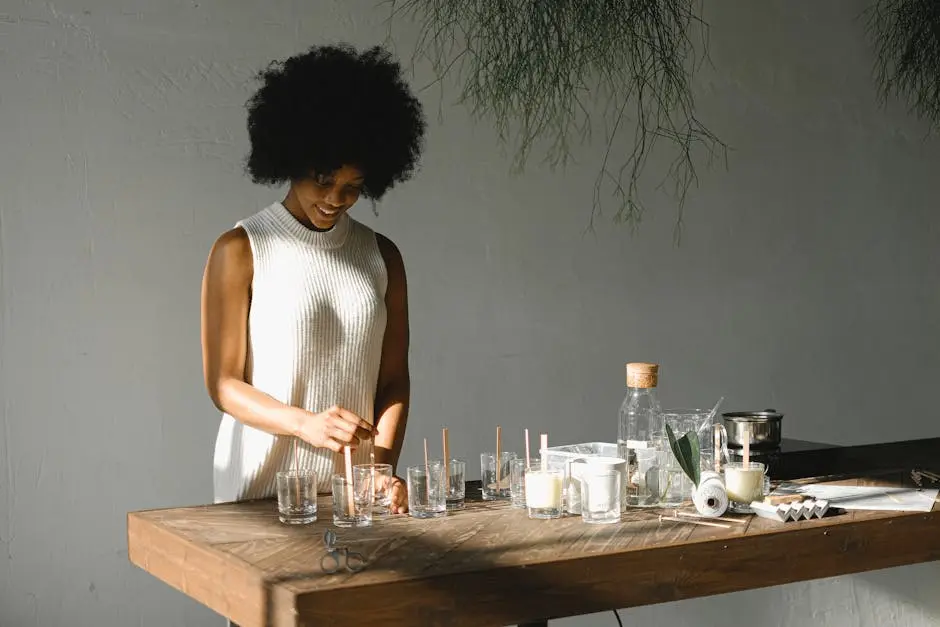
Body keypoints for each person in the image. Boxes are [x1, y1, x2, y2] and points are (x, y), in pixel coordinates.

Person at [201, 43, 426, 517]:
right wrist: (305, 425)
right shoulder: (240, 249)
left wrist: (379, 471)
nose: (335, 199)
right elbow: (223, 385)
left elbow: (392, 381)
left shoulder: (382, 256)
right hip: (260, 497)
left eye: (352, 188)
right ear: (291, 158)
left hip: (354, 499)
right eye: (322, 179)